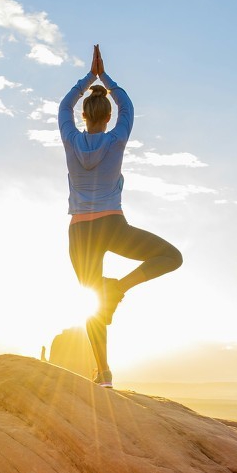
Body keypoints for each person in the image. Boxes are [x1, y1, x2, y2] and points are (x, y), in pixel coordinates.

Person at [60, 44, 182, 388]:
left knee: (90, 301)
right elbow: (127, 106)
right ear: (107, 116)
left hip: (80, 232)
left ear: (84, 116)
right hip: (112, 226)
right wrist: (105, 79)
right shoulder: (117, 138)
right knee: (171, 257)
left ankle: (103, 374)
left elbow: (63, 106)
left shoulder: (70, 139)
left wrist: (88, 78)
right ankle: (119, 289)